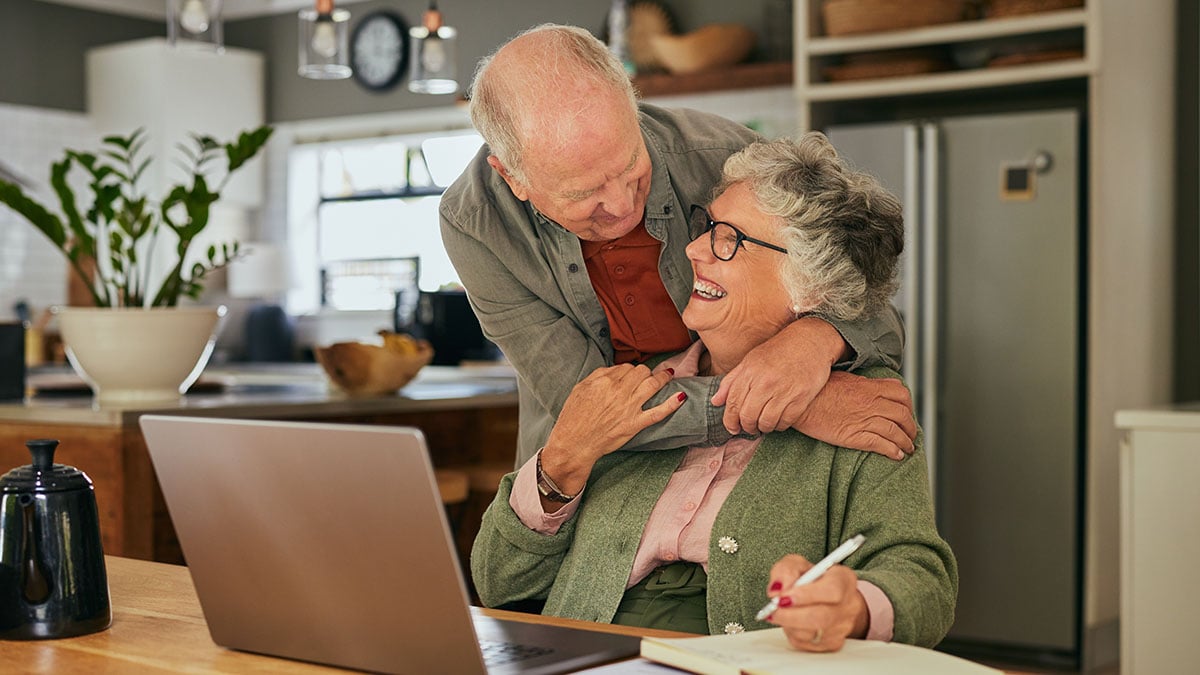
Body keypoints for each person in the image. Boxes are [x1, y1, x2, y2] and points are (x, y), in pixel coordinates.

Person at [471, 133, 957, 650]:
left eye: (729, 239)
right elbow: (498, 584)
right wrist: (560, 466)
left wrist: (855, 607)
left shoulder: (863, 405)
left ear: (811, 287)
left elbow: (923, 579)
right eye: (707, 227)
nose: (693, 248)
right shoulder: (635, 387)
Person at [440, 25, 916, 468]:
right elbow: (584, 404)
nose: (624, 206)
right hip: (594, 474)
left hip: (749, 463)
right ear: (512, 177)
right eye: (585, 195)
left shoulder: (729, 161)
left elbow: (870, 306)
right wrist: (782, 407)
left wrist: (815, 339)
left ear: (634, 105)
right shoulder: (475, 223)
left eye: (632, 166)